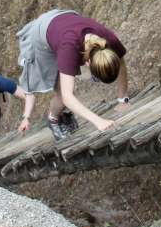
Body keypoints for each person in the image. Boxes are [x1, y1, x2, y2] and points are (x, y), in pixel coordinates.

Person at [16, 9, 129, 141]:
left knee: (66, 86)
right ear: (87, 63)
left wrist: (123, 100)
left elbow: (121, 62)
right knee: (60, 91)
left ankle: (65, 114)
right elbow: (67, 96)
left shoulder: (108, 39)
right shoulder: (69, 48)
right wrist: (99, 121)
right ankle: (53, 119)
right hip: (41, 37)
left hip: (62, 20)